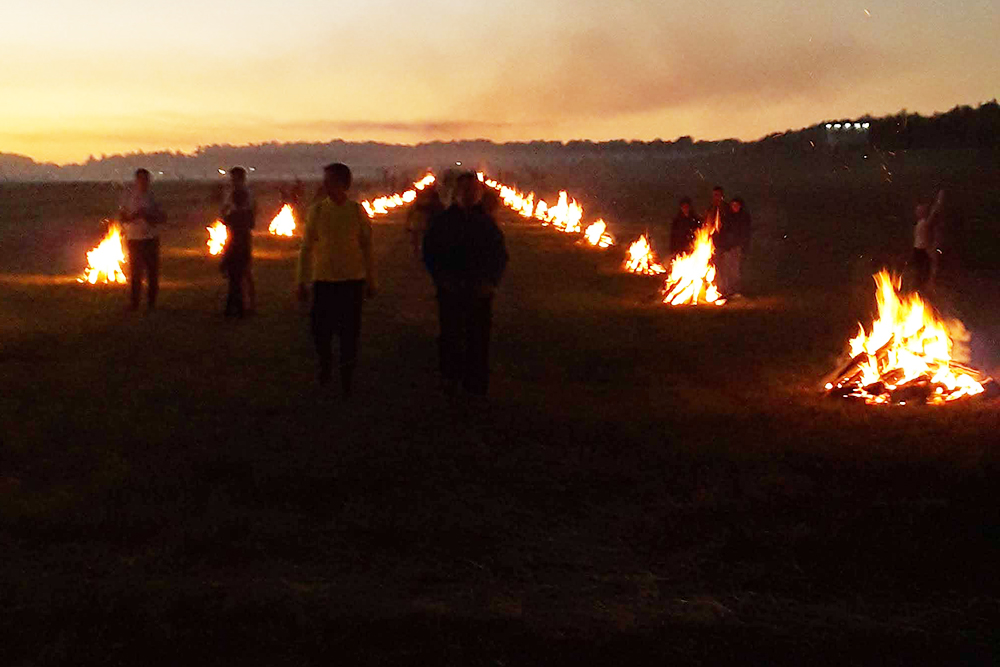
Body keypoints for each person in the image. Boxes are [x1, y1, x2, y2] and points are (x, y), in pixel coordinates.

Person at [423, 172, 508, 397]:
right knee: (450, 335)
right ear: (456, 193)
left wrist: (491, 282)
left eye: (473, 191)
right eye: (464, 191)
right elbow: (429, 253)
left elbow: (499, 256)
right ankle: (450, 377)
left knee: (478, 337)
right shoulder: (443, 222)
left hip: (480, 290)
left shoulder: (487, 224)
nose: (468, 195)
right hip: (450, 289)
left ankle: (476, 381)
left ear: (479, 193)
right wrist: (441, 279)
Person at [296, 163, 377, 394]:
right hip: (323, 282)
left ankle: (346, 376)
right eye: (324, 180)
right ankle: (325, 363)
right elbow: (306, 248)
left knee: (349, 333)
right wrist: (301, 281)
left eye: (329, 181)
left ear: (343, 184)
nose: (324, 185)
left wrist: (371, 280)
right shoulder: (318, 211)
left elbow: (367, 247)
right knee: (320, 330)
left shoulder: (356, 211)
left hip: (351, 282)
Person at [118, 168, 166, 311]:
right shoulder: (129, 197)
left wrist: (149, 217)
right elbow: (122, 217)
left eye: (146, 180)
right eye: (140, 180)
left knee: (152, 273)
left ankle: (151, 303)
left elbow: (162, 217)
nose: (143, 183)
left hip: (151, 238)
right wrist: (135, 215)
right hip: (134, 239)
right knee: (136, 273)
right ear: (136, 180)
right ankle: (135, 303)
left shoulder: (153, 197)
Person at [220, 167, 256, 318]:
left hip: (236, 242)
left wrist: (227, 212)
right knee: (240, 276)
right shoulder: (245, 201)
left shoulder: (241, 197)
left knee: (237, 277)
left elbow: (226, 219)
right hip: (242, 241)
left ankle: (237, 308)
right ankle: (238, 306)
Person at [715, 196, 752, 298]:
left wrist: (742, 246)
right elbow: (723, 232)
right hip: (727, 247)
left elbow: (745, 233)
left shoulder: (743, 217)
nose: (734, 207)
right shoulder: (728, 217)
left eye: (736, 205)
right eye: (733, 205)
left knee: (735, 270)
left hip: (736, 247)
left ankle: (735, 291)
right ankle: (726, 291)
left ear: (740, 206)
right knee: (725, 269)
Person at [912, 189, 945, 291]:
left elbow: (934, 211)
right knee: (918, 271)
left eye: (920, 210)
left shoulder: (926, 223)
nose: (918, 212)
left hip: (924, 250)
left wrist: (939, 200)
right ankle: (919, 288)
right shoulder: (919, 223)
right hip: (917, 250)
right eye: (917, 210)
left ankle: (925, 288)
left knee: (924, 271)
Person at [405, 185, 444, 258]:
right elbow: (410, 213)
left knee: (422, 239)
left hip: (424, 224)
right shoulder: (418, 204)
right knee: (416, 239)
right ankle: (417, 252)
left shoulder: (432, 203)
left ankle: (421, 252)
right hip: (418, 224)